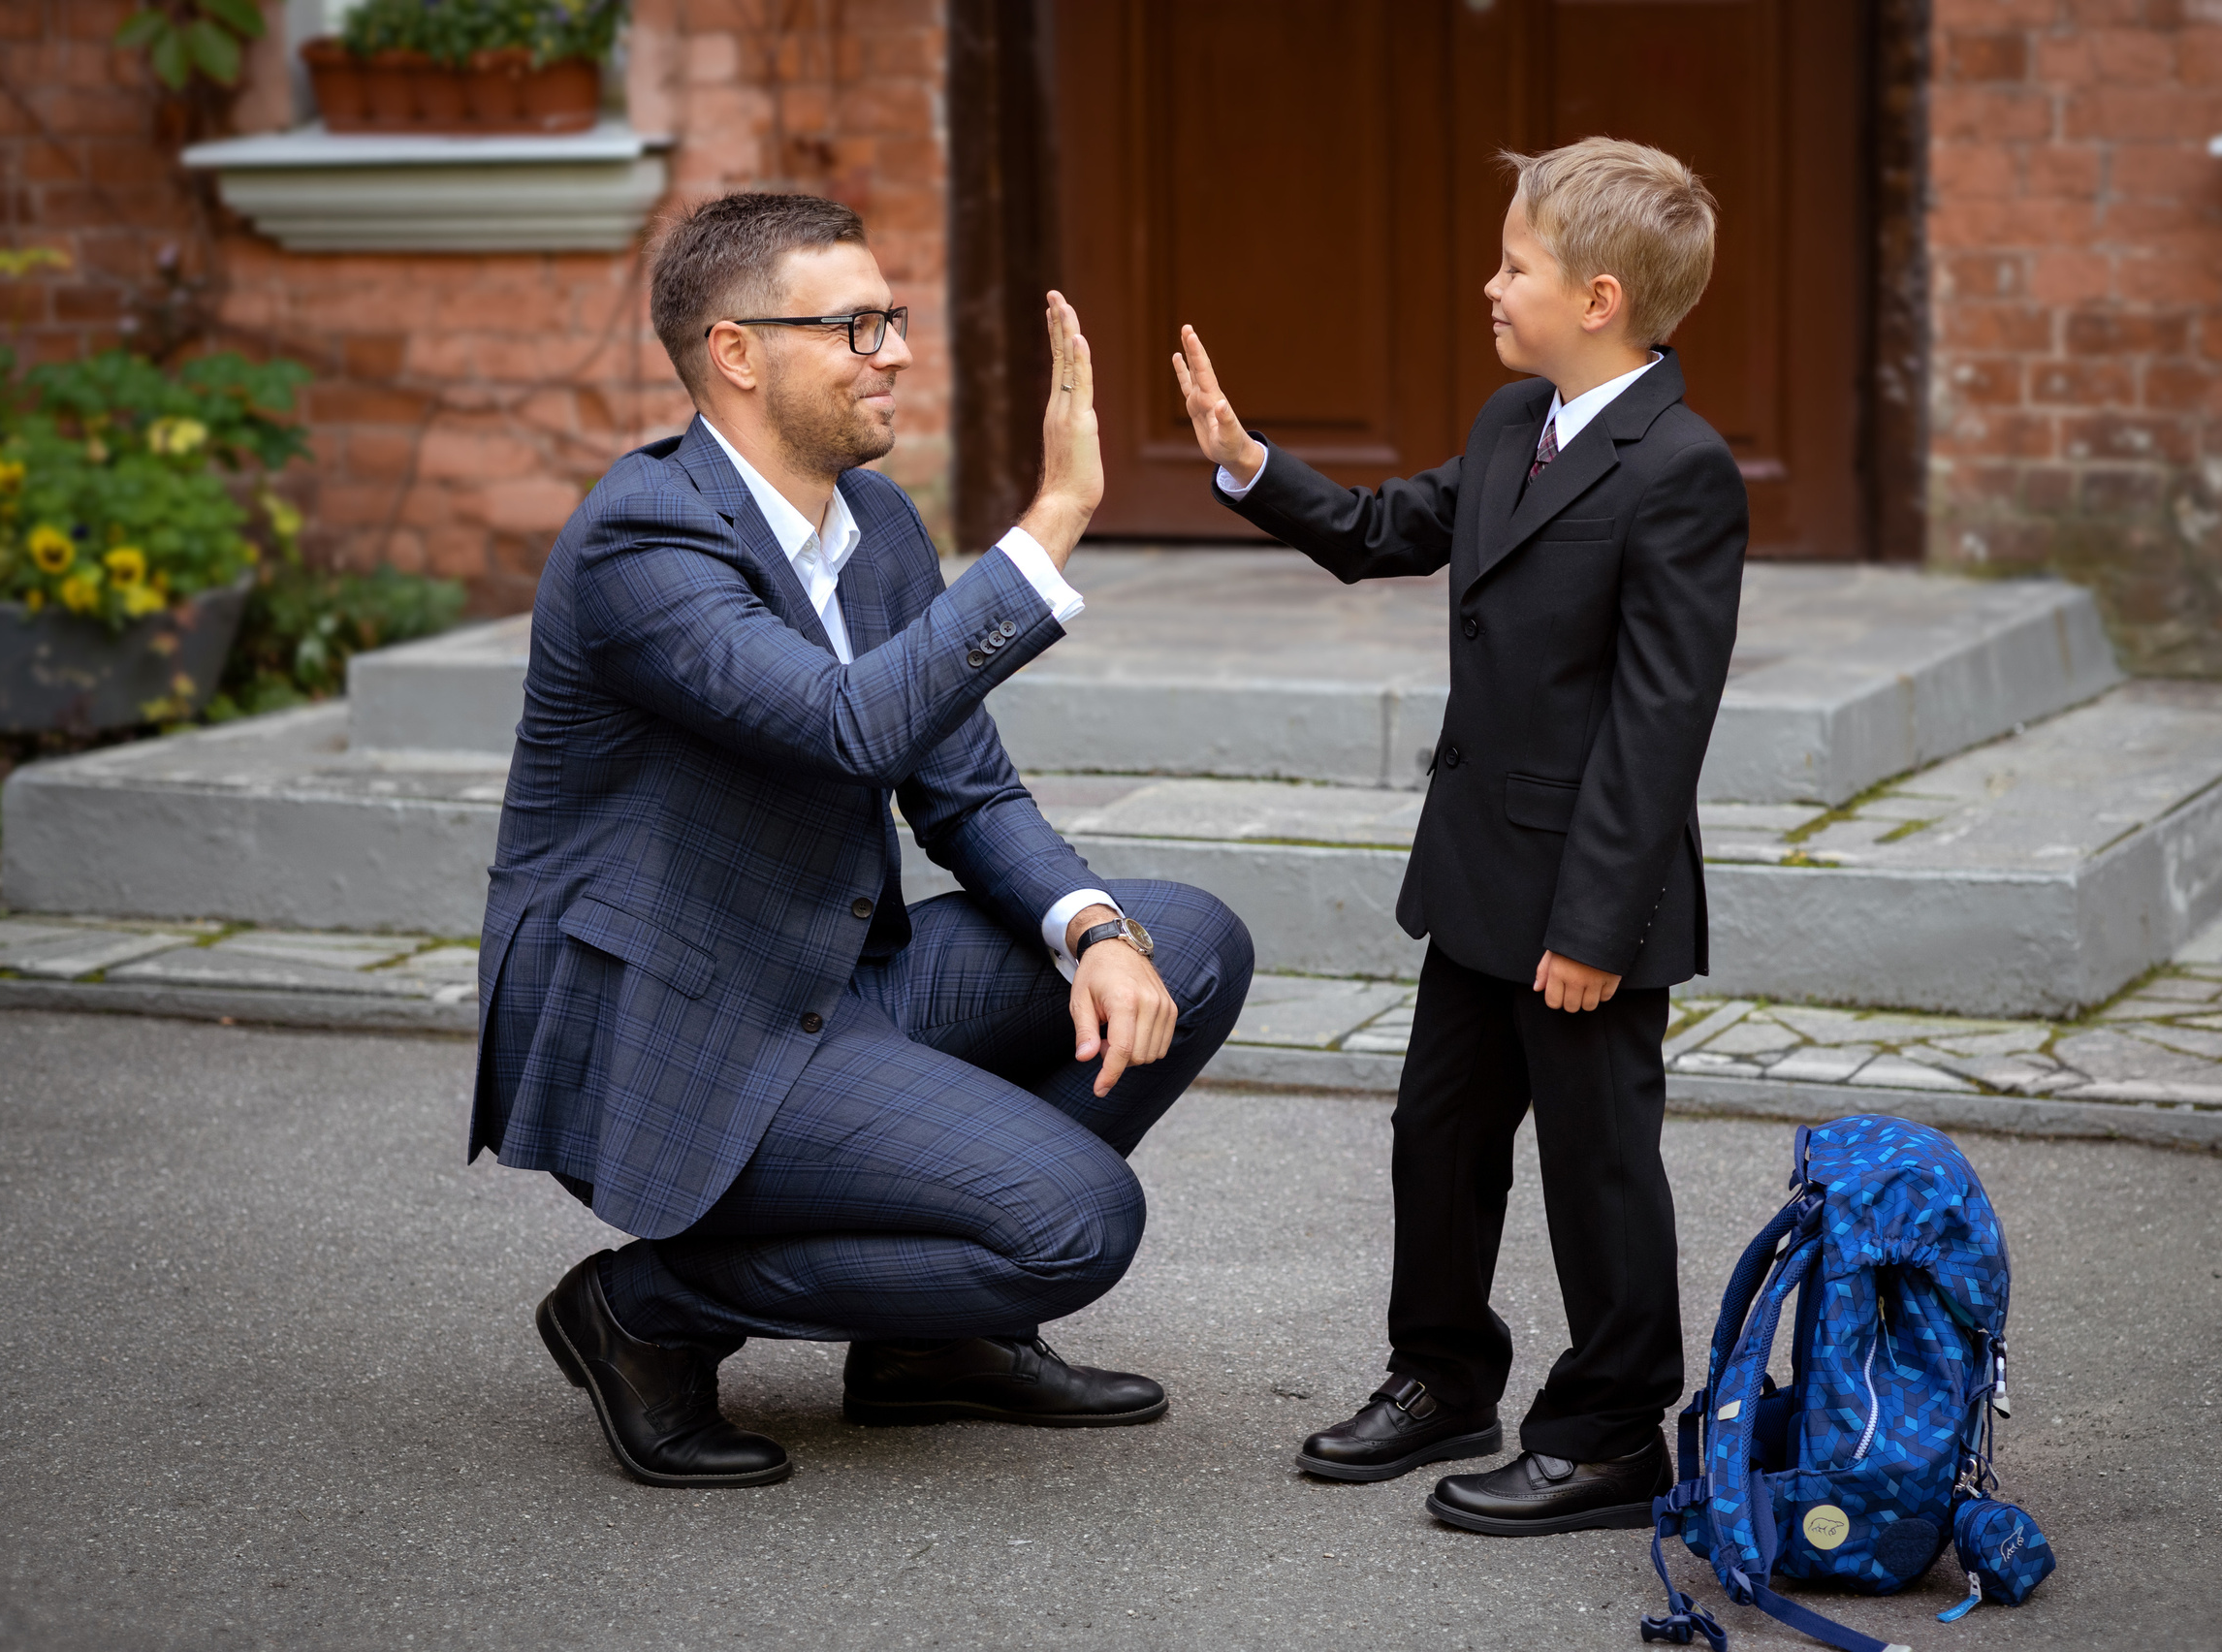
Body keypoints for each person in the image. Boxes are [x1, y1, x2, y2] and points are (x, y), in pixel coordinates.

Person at [471, 191, 1253, 1489]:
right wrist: (1049, 525)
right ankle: (648, 1312)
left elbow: (966, 788)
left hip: (833, 974)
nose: (894, 349)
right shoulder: (643, 540)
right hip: (684, 1020)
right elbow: (845, 727)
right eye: (855, 325)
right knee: (1076, 1225)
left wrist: (1097, 932)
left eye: (892, 319)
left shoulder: (874, 528)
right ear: (737, 353)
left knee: (1187, 944)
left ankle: (929, 1346)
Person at [1174, 138, 1743, 1536]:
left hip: (1589, 898)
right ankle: (1440, 1378)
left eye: (1515, 266)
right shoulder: (1512, 424)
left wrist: (1595, 928)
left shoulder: (1679, 469)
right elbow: (1387, 528)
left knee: (1596, 1164)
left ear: (1600, 296)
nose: (1490, 286)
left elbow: (1658, 723)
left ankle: (1611, 1434)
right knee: (1439, 1137)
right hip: (1479, 870)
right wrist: (1252, 468)